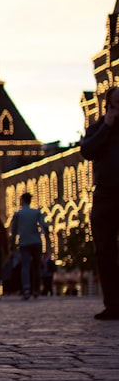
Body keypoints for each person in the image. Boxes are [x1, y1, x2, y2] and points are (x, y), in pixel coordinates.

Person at [79, 86, 119, 320]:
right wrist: (107, 127)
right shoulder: (97, 129)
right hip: (105, 196)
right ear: (108, 106)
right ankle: (113, 304)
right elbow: (87, 151)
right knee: (105, 251)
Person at [8, 192, 49, 300]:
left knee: (25, 266)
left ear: (22, 201)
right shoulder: (36, 212)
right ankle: (36, 289)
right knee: (36, 266)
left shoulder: (18, 214)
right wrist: (46, 237)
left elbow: (14, 231)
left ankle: (26, 289)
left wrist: (12, 245)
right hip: (36, 241)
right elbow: (44, 225)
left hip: (24, 242)